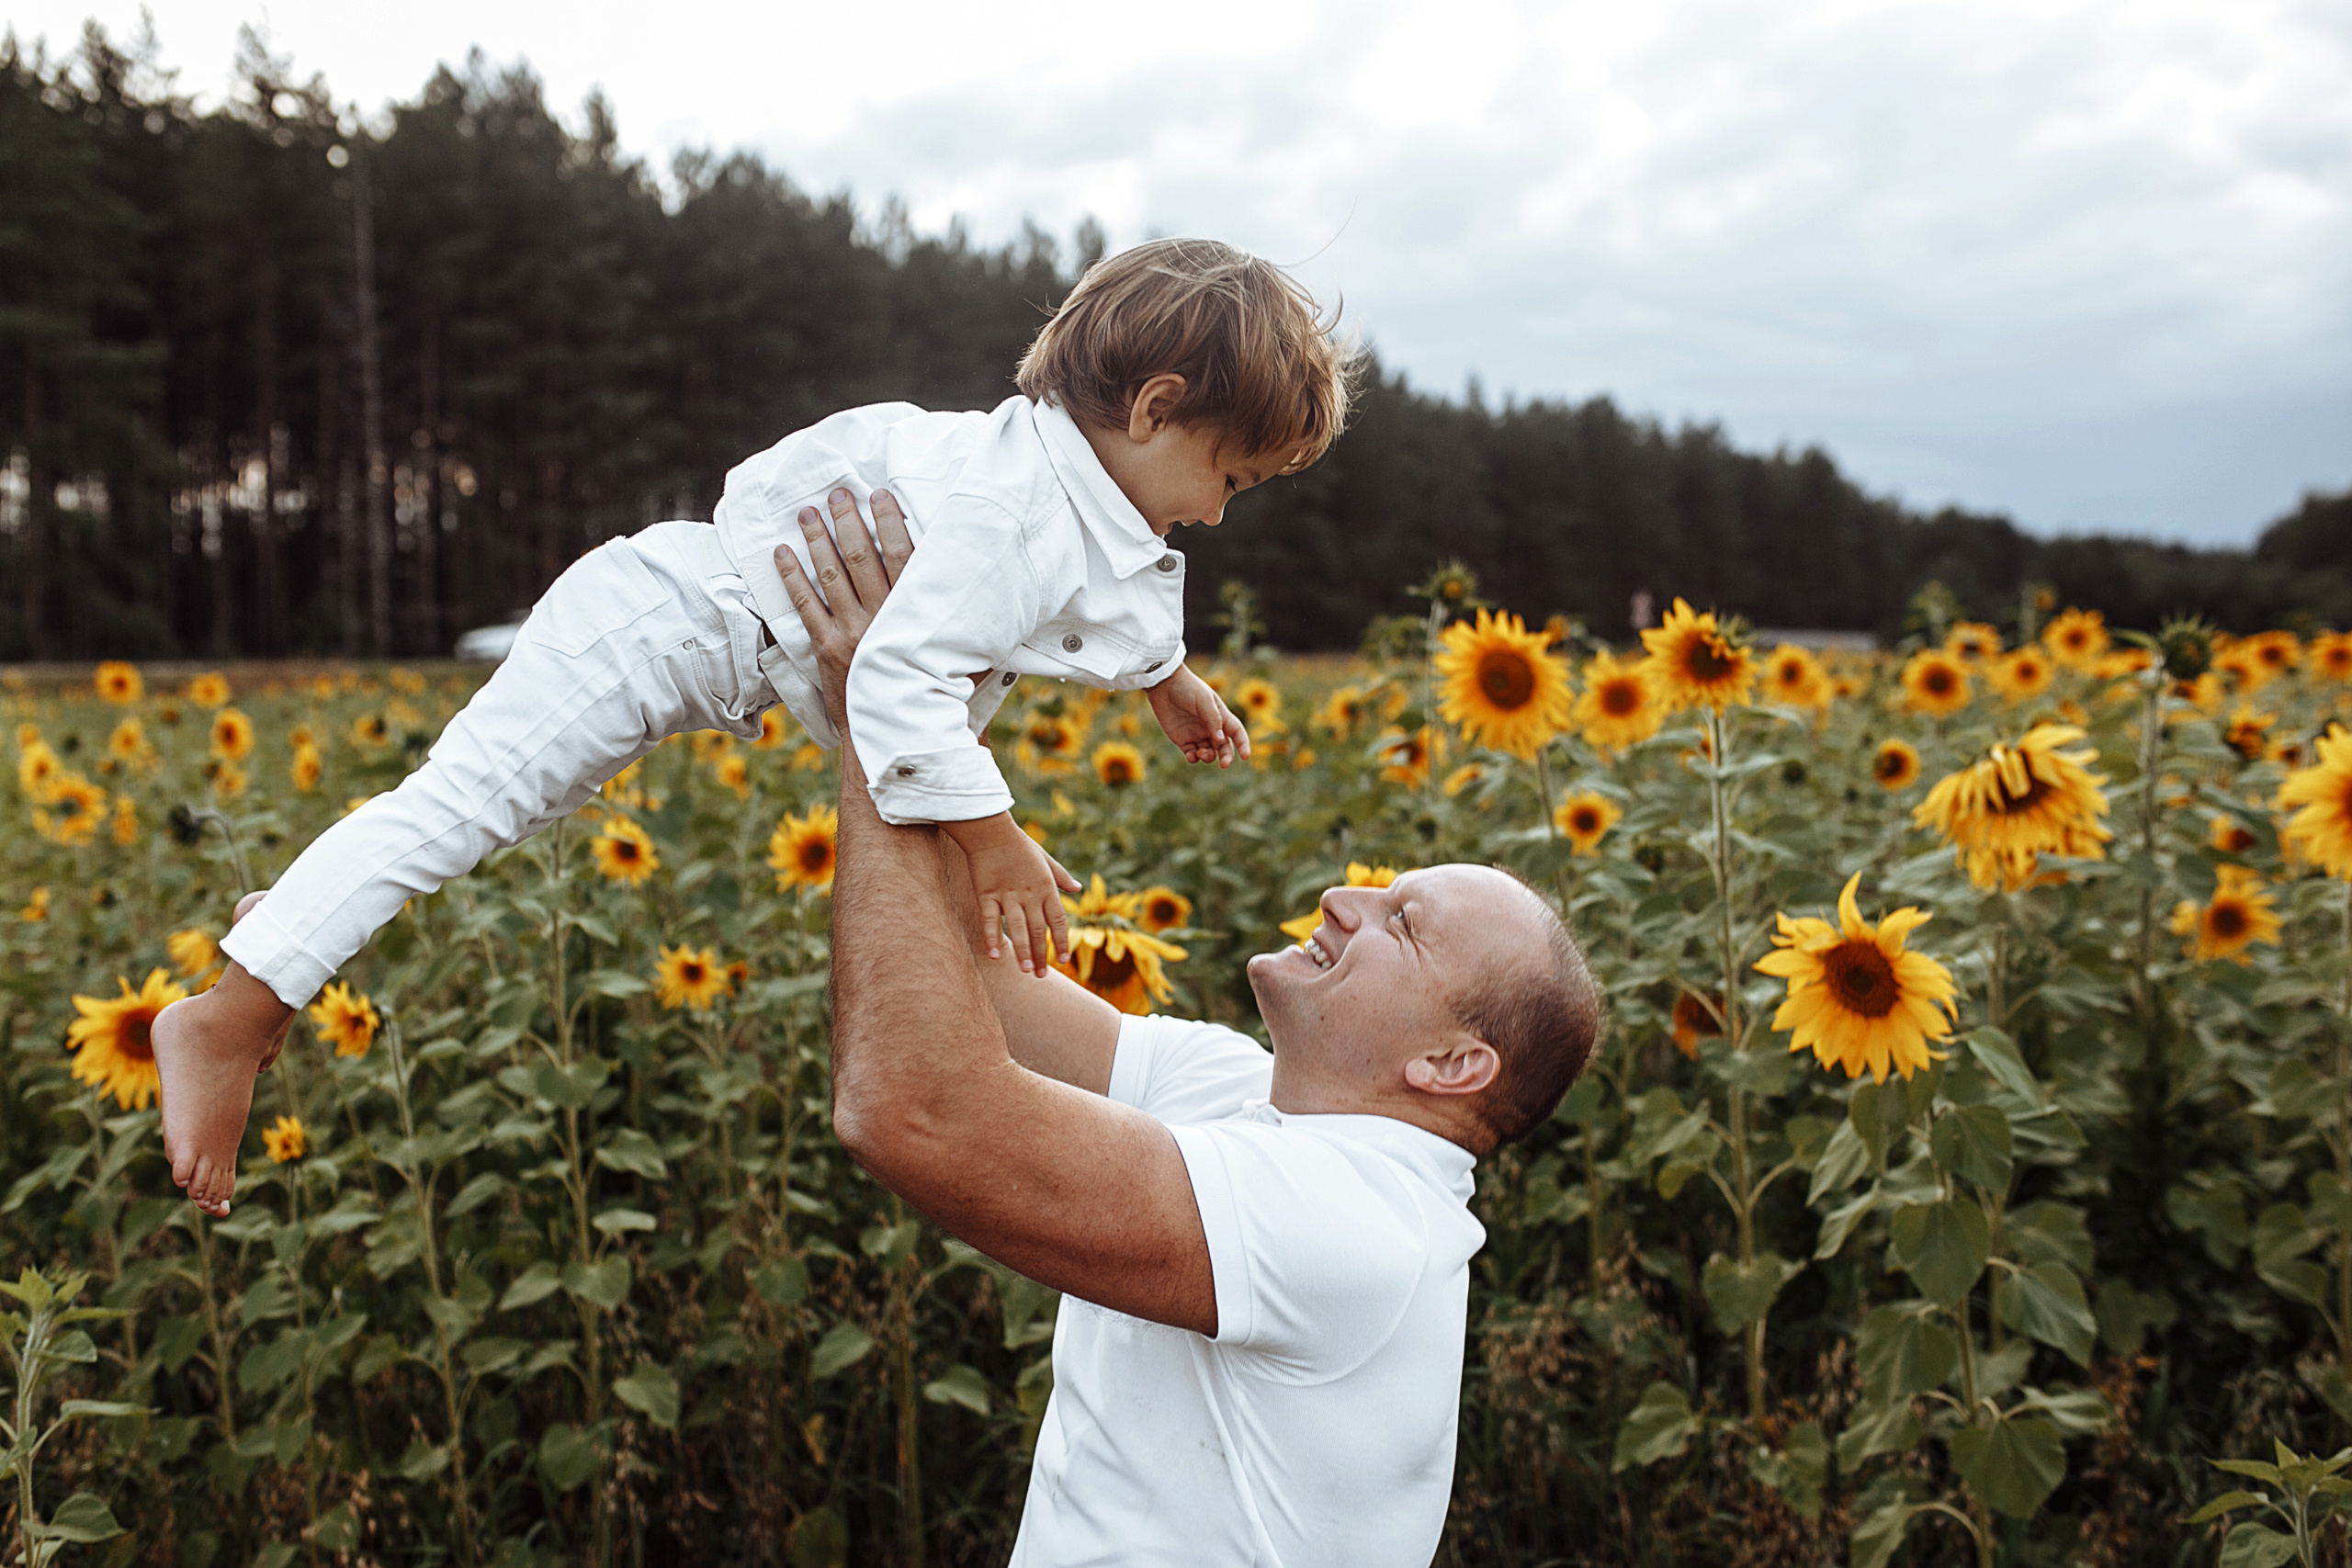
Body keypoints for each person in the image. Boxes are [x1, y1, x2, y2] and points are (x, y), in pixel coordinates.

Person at [152, 238, 1355, 1217]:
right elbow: (893, 684)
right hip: (664, 622)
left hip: (704, 647)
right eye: (1234, 477)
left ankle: (306, 918)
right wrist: (993, 838)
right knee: (465, 803)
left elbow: (1118, 584)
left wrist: (1167, 678)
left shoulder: (1068, 495)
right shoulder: (1007, 509)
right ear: (1154, 407)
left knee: (474, 810)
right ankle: (231, 1012)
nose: (1221, 511)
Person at [786, 492, 1604, 1565]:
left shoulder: (1355, 1227)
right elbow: (973, 984)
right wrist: (932, 693)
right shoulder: (1247, 1094)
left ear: (1450, 1064)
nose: (1340, 900)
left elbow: (913, 1107)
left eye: (1399, 922)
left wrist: (877, 729)